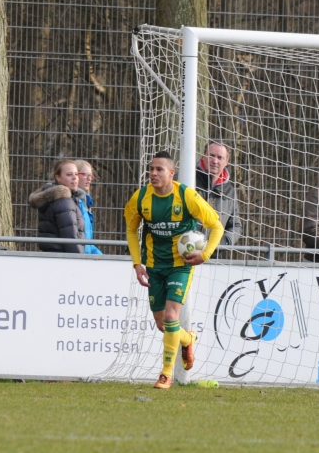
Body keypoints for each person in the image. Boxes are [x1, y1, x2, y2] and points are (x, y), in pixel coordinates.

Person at [124, 151, 224, 390]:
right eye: (151, 169)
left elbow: (216, 225)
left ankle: (165, 375)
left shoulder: (186, 196)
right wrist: (137, 264)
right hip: (154, 266)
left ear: (172, 172)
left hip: (180, 265)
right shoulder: (140, 198)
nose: (154, 173)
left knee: (171, 317)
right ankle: (188, 339)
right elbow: (131, 230)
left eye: (159, 169)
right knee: (163, 324)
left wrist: (205, 254)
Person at [28, 160, 86, 254]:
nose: (74, 178)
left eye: (76, 174)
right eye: (69, 174)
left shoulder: (55, 198)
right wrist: (79, 259)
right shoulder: (64, 201)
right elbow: (70, 237)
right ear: (58, 177)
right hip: (64, 257)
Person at [196, 141, 242, 247]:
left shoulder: (229, 191)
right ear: (203, 155)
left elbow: (235, 225)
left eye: (220, 157)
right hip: (184, 252)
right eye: (211, 156)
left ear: (226, 161)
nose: (215, 161)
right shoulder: (186, 179)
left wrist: (223, 242)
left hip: (214, 257)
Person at [76, 160, 103, 255]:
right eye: (85, 174)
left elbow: (88, 242)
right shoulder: (72, 201)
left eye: (91, 175)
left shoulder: (85, 201)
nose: (89, 179)